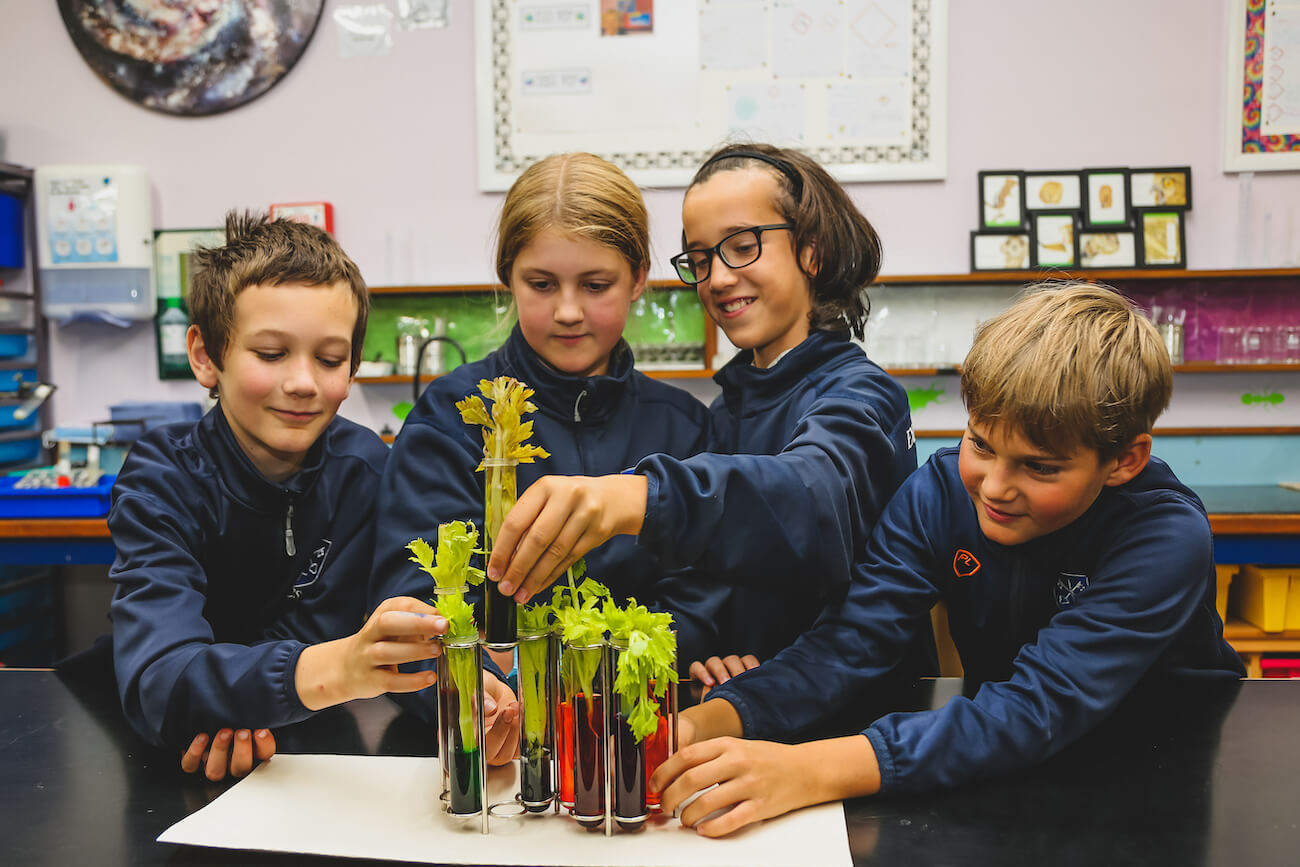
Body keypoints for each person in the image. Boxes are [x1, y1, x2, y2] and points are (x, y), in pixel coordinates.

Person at [650, 283, 1246, 837]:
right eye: (981, 445)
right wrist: (714, 719)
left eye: (1039, 466)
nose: (993, 487)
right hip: (1006, 763)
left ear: (1123, 460)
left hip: (1156, 770)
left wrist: (809, 769)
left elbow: (1039, 704)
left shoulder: (1164, 534)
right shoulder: (938, 494)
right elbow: (849, 642)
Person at [482, 143, 931, 677]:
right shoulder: (727, 411)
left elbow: (811, 496)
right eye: (700, 259)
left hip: (863, 730)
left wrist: (634, 495)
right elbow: (720, 584)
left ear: (811, 251)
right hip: (760, 718)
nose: (717, 278)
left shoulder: (862, 397)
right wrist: (712, 660)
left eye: (742, 247)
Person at [108, 212, 519, 782]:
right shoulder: (162, 478)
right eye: (271, 353)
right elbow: (159, 679)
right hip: (176, 768)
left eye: (329, 359)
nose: (303, 382)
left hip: (313, 759)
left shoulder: (369, 472)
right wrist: (338, 668)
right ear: (206, 356)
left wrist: (477, 700)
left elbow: (374, 633)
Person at [369, 152, 721, 671]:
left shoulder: (684, 427)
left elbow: (703, 599)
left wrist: (603, 682)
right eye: (541, 284)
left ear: (639, 278)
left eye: (596, 285)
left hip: (631, 729)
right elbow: (416, 605)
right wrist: (490, 691)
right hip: (491, 734)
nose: (568, 311)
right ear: (507, 275)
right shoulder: (451, 418)